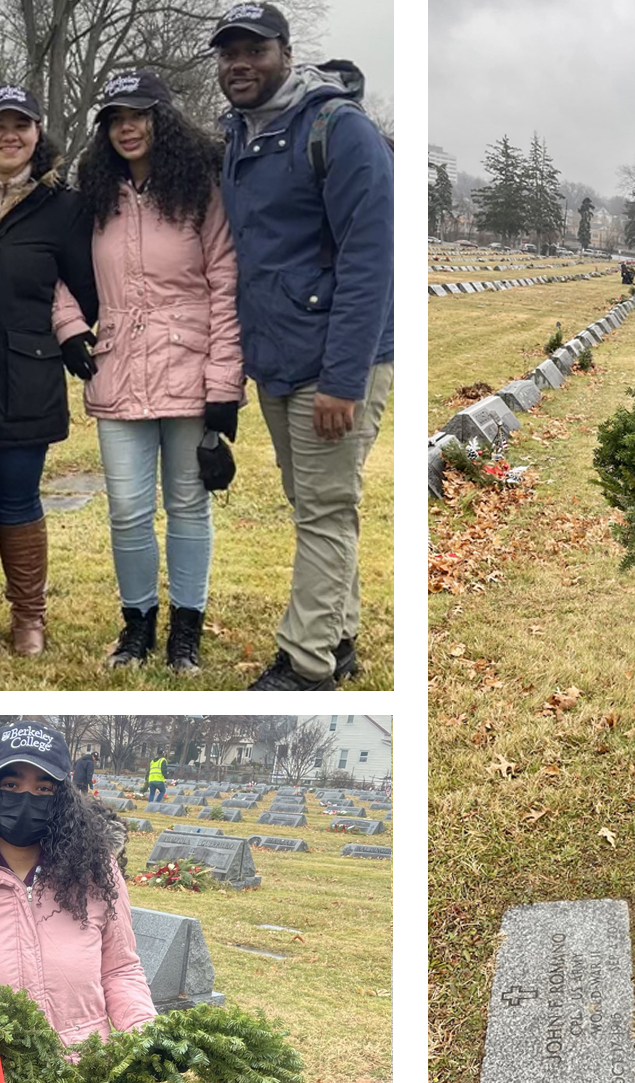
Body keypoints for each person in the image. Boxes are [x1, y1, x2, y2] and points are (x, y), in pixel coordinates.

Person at [211, 3, 394, 690]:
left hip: (333, 363)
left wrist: (342, 380)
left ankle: (307, 663)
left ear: (286, 53)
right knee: (312, 502)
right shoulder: (240, 134)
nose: (239, 64)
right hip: (277, 357)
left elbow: (371, 260)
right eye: (228, 53)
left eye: (253, 50)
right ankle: (338, 637)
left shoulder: (337, 130)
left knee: (322, 508)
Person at [74, 70, 244, 674]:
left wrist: (224, 386)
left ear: (163, 121)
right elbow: (55, 270)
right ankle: (138, 625)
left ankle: (186, 633)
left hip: (191, 369)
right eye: (116, 116)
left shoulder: (200, 192)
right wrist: (71, 326)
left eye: (140, 114)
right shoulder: (93, 194)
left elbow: (225, 283)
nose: (127, 126)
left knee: (189, 504)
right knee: (126, 508)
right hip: (119, 366)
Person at [0, 85, 98, 667]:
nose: (10, 135)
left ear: (37, 132)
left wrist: (69, 328)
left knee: (17, 497)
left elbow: (85, 288)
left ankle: (29, 617)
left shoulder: (65, 206)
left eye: (21, 125)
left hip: (25, 375)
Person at [0, 722, 156, 1046]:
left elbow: (119, 970)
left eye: (43, 788)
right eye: (11, 785)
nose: (26, 799)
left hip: (81, 1080)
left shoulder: (96, 873)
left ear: (62, 796)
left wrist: (145, 1033)